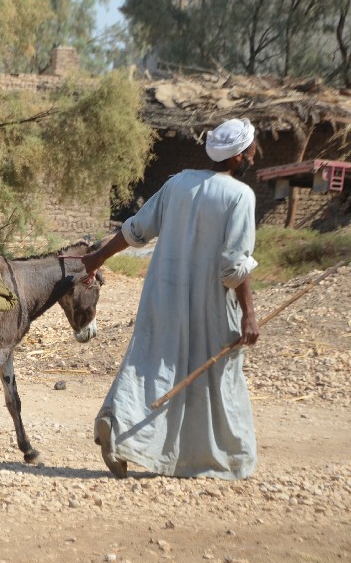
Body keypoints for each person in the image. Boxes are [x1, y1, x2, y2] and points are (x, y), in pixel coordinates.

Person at [81, 117, 260, 480]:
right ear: (240, 157)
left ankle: (118, 427)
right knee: (214, 376)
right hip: (209, 306)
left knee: (149, 364)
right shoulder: (240, 196)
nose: (256, 153)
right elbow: (232, 269)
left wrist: (98, 257)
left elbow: (136, 229)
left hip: (162, 295)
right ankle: (218, 458)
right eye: (253, 148)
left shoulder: (178, 183)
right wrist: (249, 315)